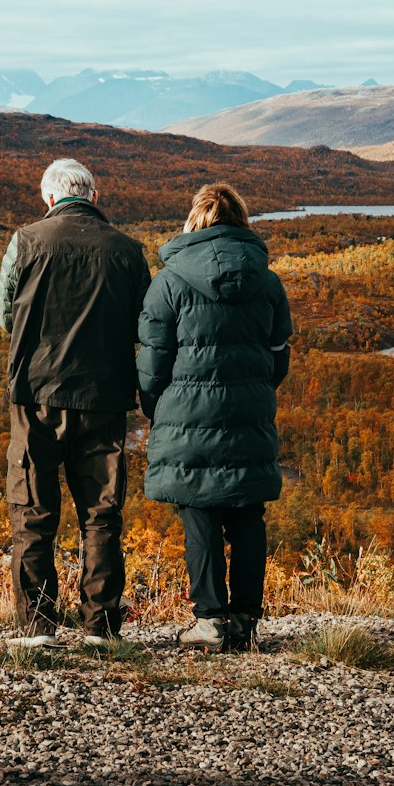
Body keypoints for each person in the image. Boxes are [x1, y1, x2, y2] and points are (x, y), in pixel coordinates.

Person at [0, 158, 150, 646]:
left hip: (36, 397)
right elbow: (146, 324)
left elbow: (5, 315)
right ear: (94, 197)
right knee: (101, 512)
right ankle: (100, 628)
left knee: (33, 509)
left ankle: (38, 626)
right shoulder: (128, 251)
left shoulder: (25, 242)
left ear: (48, 199)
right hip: (104, 399)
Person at [137, 183, 293, 653]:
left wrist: (158, 408)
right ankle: (245, 620)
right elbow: (278, 354)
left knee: (199, 511)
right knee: (247, 511)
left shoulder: (168, 282)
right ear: (242, 220)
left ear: (195, 220)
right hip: (249, 413)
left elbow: (152, 361)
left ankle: (209, 620)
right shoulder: (266, 280)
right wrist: (256, 390)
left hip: (186, 417)